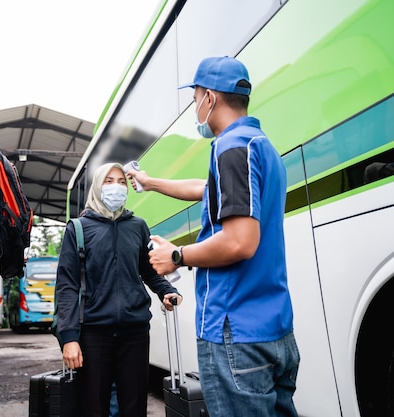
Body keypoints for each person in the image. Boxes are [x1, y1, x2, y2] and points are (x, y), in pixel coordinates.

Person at [128, 56, 300, 417]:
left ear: (209, 97)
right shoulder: (260, 146)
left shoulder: (229, 147)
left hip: (235, 331)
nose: (194, 108)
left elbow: (240, 242)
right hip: (275, 331)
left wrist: (177, 257)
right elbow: (205, 188)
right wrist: (151, 182)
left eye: (194, 99)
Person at [56, 162, 182, 417]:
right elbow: (67, 285)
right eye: (109, 181)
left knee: (134, 407)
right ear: (97, 187)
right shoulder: (78, 228)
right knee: (93, 407)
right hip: (93, 332)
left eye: (122, 182)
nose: (117, 187)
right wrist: (68, 337)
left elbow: (148, 270)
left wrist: (167, 290)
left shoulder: (137, 225)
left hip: (134, 331)